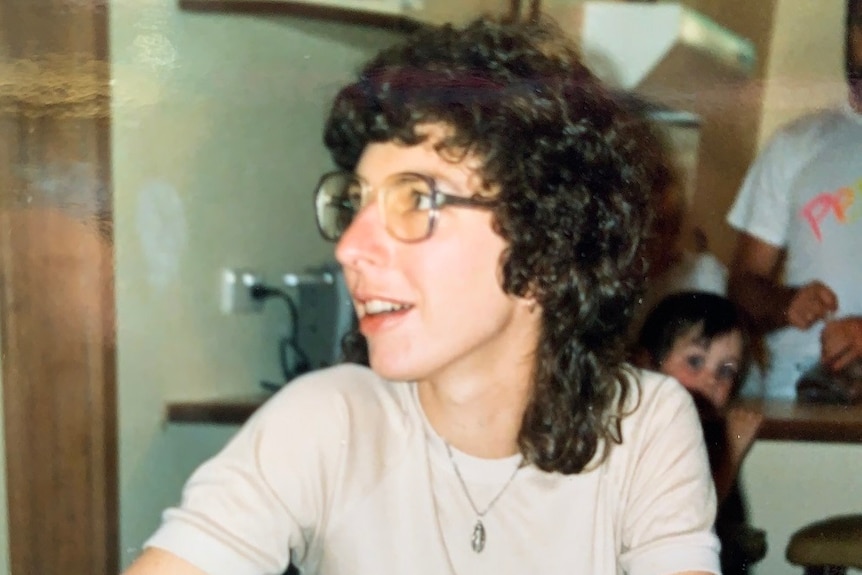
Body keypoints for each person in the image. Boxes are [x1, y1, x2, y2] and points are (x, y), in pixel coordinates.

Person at [123, 16, 720, 575]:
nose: (351, 246)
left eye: (415, 200)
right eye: (354, 203)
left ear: (546, 243)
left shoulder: (641, 426)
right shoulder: (326, 422)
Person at [726, 0, 862, 398]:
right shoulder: (794, 144)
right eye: (859, 21)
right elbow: (742, 286)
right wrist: (784, 302)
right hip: (794, 401)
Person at [635, 291, 766, 575]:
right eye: (695, 362)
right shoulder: (649, 430)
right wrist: (734, 453)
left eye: (726, 370)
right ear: (647, 363)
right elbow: (691, 517)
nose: (711, 380)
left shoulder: (712, 432)